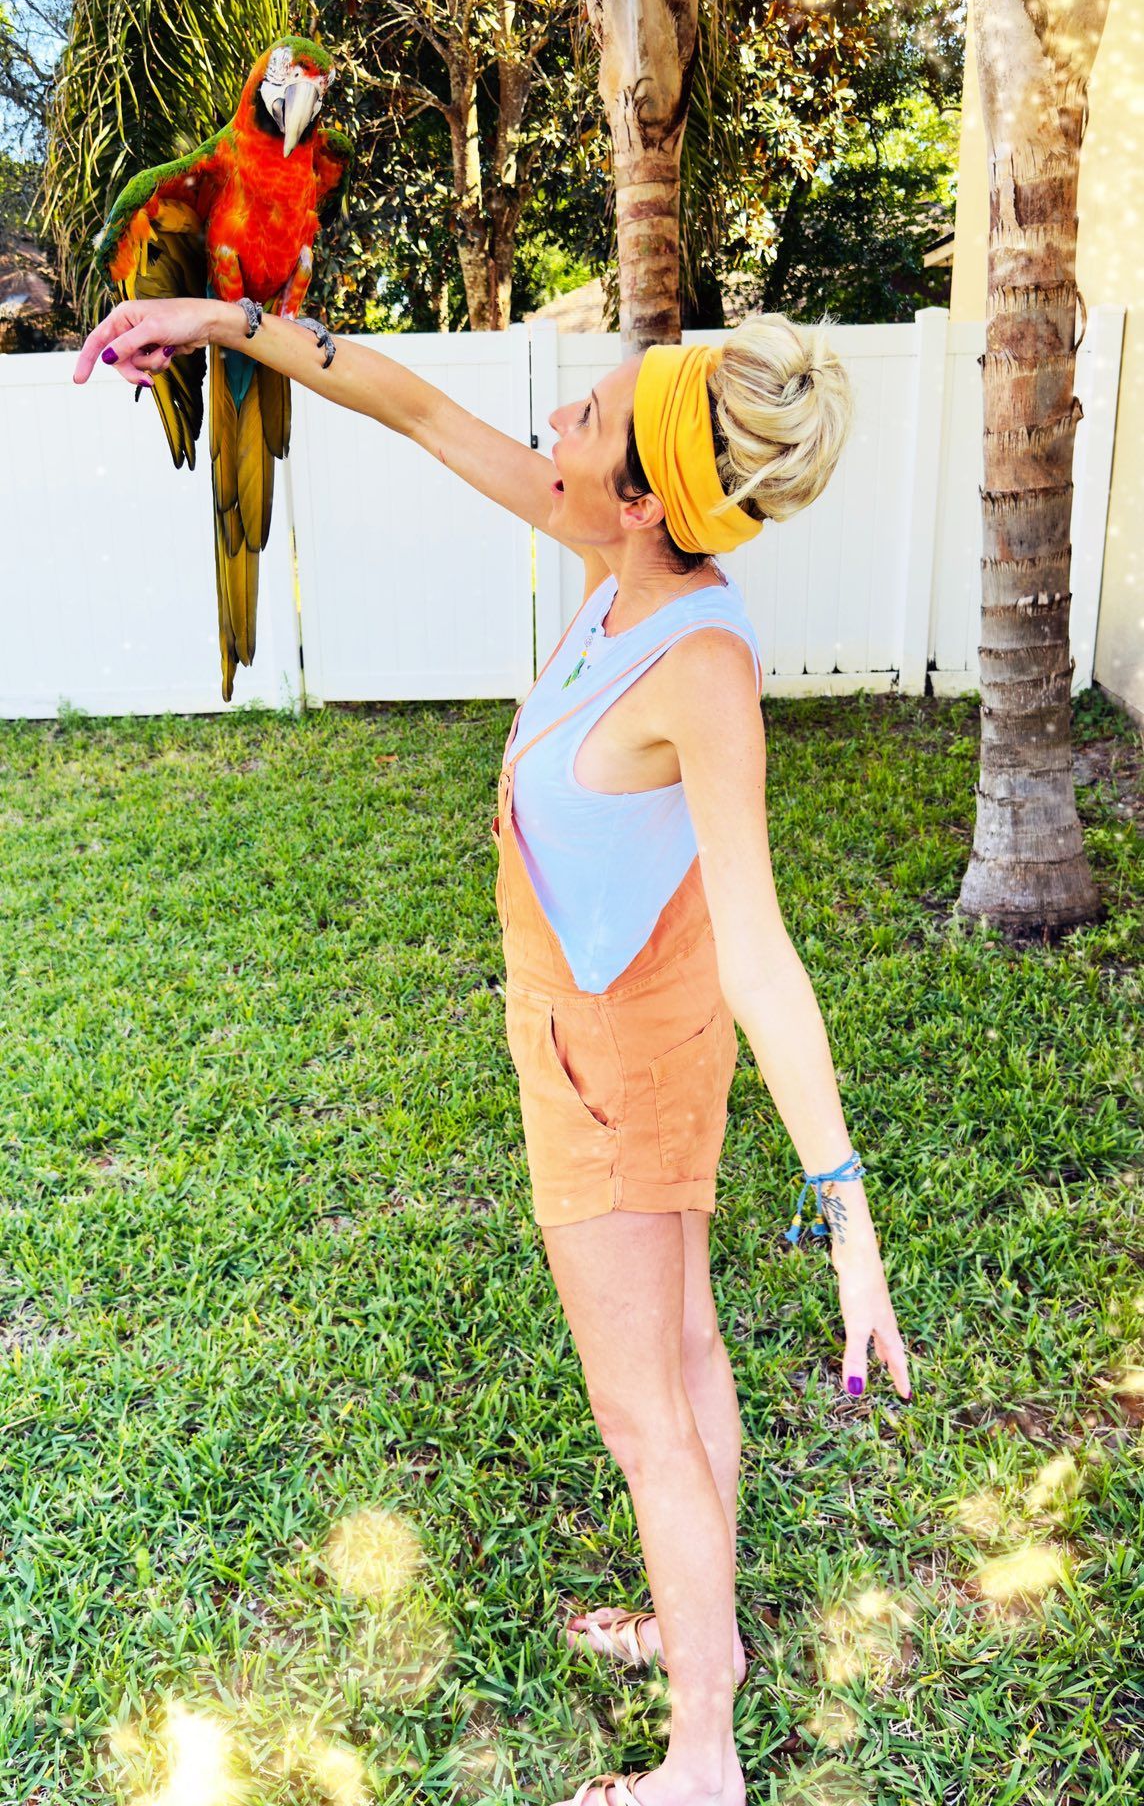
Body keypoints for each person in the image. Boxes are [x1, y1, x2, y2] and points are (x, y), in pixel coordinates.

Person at [74, 298, 912, 1806]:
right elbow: (411, 405)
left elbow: (762, 949)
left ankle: (703, 1761)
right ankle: (699, 1631)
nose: (558, 423)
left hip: (618, 1068)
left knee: (643, 1413)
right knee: (686, 1356)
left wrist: (850, 1223)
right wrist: (216, 321)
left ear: (646, 499)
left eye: (589, 416)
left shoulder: (699, 667)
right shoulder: (613, 554)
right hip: (615, 1029)